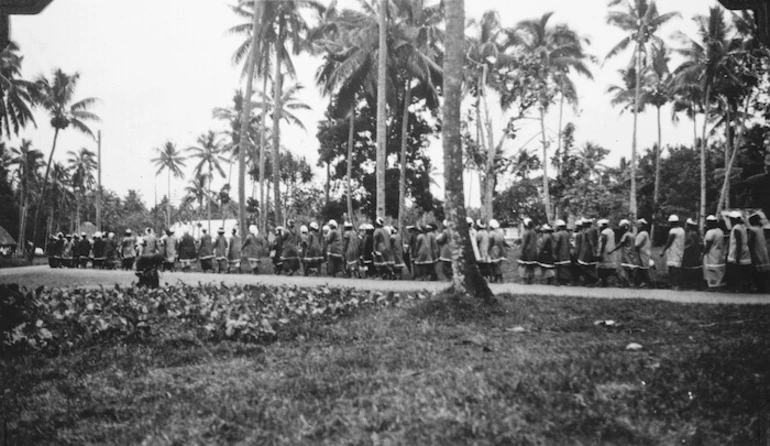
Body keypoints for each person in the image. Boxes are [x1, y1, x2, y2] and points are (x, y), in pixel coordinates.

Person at [726, 211, 752, 292]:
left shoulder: (736, 228)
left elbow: (739, 242)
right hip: (744, 252)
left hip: (737, 253)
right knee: (743, 272)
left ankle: (737, 288)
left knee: (736, 272)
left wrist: (737, 256)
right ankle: (744, 287)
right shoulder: (743, 227)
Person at [661, 214, 685, 290]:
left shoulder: (673, 231)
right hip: (680, 250)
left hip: (673, 251)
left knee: (672, 268)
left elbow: (669, 241)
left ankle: (674, 284)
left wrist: (663, 250)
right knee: (678, 268)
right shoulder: (682, 230)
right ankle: (677, 284)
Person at [747, 212, 769, 293]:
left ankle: (758, 288)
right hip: (763, 251)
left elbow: (750, 243)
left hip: (756, 252)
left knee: (756, 272)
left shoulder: (753, 230)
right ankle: (763, 288)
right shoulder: (760, 229)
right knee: (763, 272)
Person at [702, 215, 725, 289]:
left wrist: (703, 254)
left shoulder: (710, 232)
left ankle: (712, 285)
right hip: (719, 253)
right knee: (719, 270)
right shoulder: (720, 231)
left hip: (711, 253)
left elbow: (708, 245)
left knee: (711, 270)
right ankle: (718, 284)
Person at [611, 220, 635, 287]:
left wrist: (612, 250)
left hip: (626, 253)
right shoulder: (632, 234)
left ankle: (626, 282)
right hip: (631, 253)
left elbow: (621, 244)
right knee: (630, 268)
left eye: (621, 227)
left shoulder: (626, 235)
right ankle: (631, 282)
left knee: (625, 268)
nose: (620, 229)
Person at [682, 218, 703, 289]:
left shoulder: (691, 234)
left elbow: (691, 244)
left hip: (690, 253)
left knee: (689, 269)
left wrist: (684, 249)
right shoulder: (696, 233)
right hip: (695, 253)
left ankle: (689, 284)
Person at [597, 219, 619, 287]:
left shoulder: (604, 233)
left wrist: (600, 254)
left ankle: (604, 282)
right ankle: (609, 281)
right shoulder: (611, 231)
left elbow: (602, 244)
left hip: (605, 252)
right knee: (610, 267)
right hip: (611, 251)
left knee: (602, 268)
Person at [577, 219, 598, 285]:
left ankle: (595, 278)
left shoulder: (588, 231)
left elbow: (591, 242)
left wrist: (593, 252)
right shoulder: (593, 230)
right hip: (589, 250)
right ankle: (588, 281)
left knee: (584, 266)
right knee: (590, 267)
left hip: (587, 251)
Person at [518, 218, 538, 284]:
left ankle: (524, 279)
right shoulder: (534, 232)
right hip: (534, 251)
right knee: (531, 266)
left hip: (527, 252)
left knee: (524, 265)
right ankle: (531, 279)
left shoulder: (526, 232)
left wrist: (521, 251)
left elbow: (524, 243)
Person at [634, 218, 652, 287]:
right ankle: (641, 282)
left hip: (642, 253)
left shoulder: (642, 234)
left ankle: (647, 282)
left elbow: (637, 245)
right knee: (641, 268)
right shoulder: (645, 233)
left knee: (643, 268)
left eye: (638, 225)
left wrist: (636, 250)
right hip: (644, 252)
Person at [553, 220, 572, 285]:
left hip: (560, 253)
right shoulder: (566, 234)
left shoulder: (558, 234)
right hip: (566, 253)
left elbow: (556, 245)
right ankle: (565, 281)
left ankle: (557, 281)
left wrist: (554, 253)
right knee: (565, 267)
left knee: (558, 267)